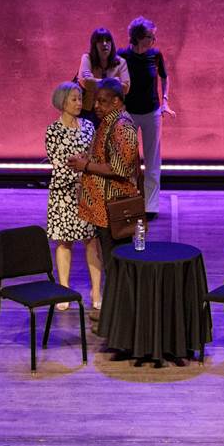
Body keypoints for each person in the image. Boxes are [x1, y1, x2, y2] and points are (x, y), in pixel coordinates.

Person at [71, 78, 142, 277]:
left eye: (102, 101)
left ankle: (122, 306)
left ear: (116, 102)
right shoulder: (107, 124)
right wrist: (89, 158)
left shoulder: (122, 127)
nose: (96, 106)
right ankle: (116, 304)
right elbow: (106, 156)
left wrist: (86, 165)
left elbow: (119, 168)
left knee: (118, 265)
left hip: (115, 209)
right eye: (96, 101)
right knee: (111, 265)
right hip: (103, 209)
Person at [45, 81, 102, 312]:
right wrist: (80, 165)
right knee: (64, 242)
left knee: (92, 242)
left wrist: (84, 165)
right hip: (63, 195)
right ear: (62, 102)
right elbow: (58, 163)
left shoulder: (89, 127)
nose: (79, 103)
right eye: (74, 99)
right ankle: (64, 289)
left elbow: (94, 157)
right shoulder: (53, 130)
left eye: (80, 99)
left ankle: (97, 290)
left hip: (88, 193)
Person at [117, 17, 171, 214]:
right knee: (127, 160)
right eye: (151, 37)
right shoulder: (122, 56)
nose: (153, 41)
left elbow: (165, 77)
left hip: (151, 113)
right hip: (128, 113)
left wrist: (165, 100)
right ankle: (129, 202)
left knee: (152, 160)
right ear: (139, 37)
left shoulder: (155, 55)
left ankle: (150, 206)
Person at [77, 27, 130, 120]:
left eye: (108, 40)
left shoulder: (121, 62)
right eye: (100, 41)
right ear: (94, 44)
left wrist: (95, 81)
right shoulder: (87, 58)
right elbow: (86, 82)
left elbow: (125, 88)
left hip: (111, 113)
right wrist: (114, 82)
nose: (105, 44)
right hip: (89, 111)